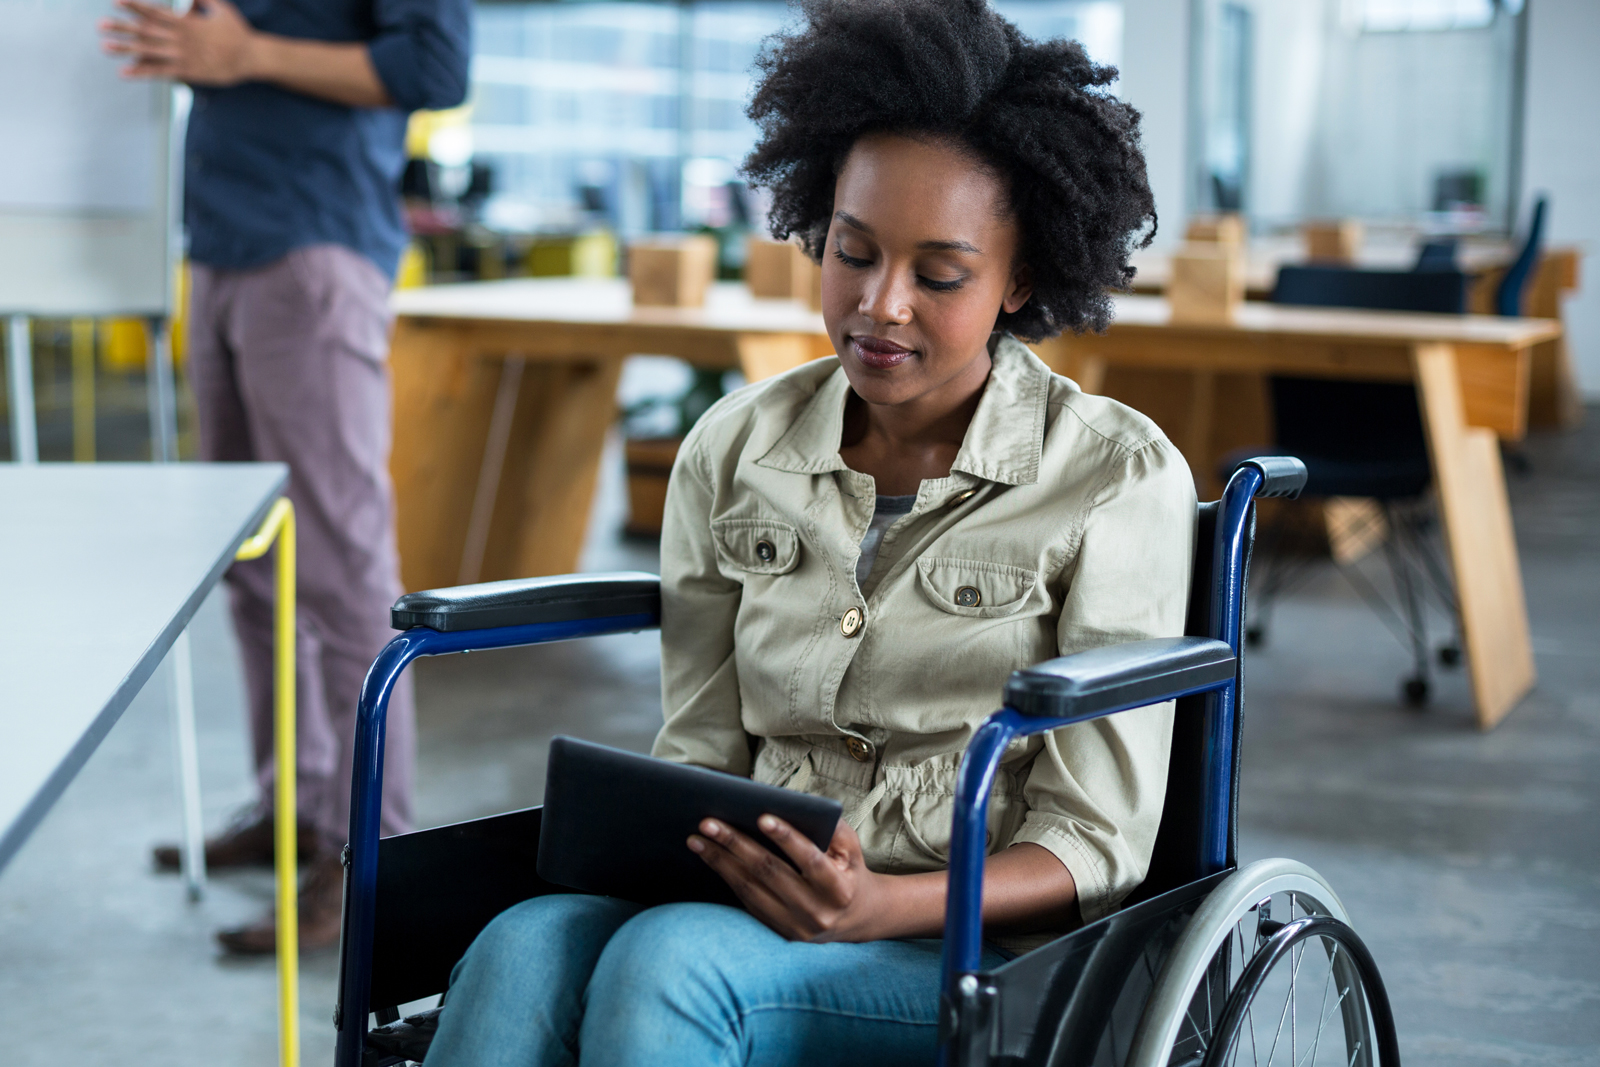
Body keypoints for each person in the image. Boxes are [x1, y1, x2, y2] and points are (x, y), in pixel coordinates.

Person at [423, 1, 1193, 1063]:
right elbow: (698, 749)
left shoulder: (1112, 475)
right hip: (746, 895)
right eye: (852, 251)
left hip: (982, 945)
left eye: (939, 274)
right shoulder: (736, 447)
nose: (879, 305)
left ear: (1019, 280)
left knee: (671, 965)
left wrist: (880, 903)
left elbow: (1094, 838)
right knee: (520, 946)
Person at [98, 0, 471, 953]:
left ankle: (370, 860)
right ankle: (296, 807)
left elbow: (435, 66)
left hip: (311, 250)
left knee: (344, 573)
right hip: (218, 249)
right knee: (251, 564)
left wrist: (245, 51)